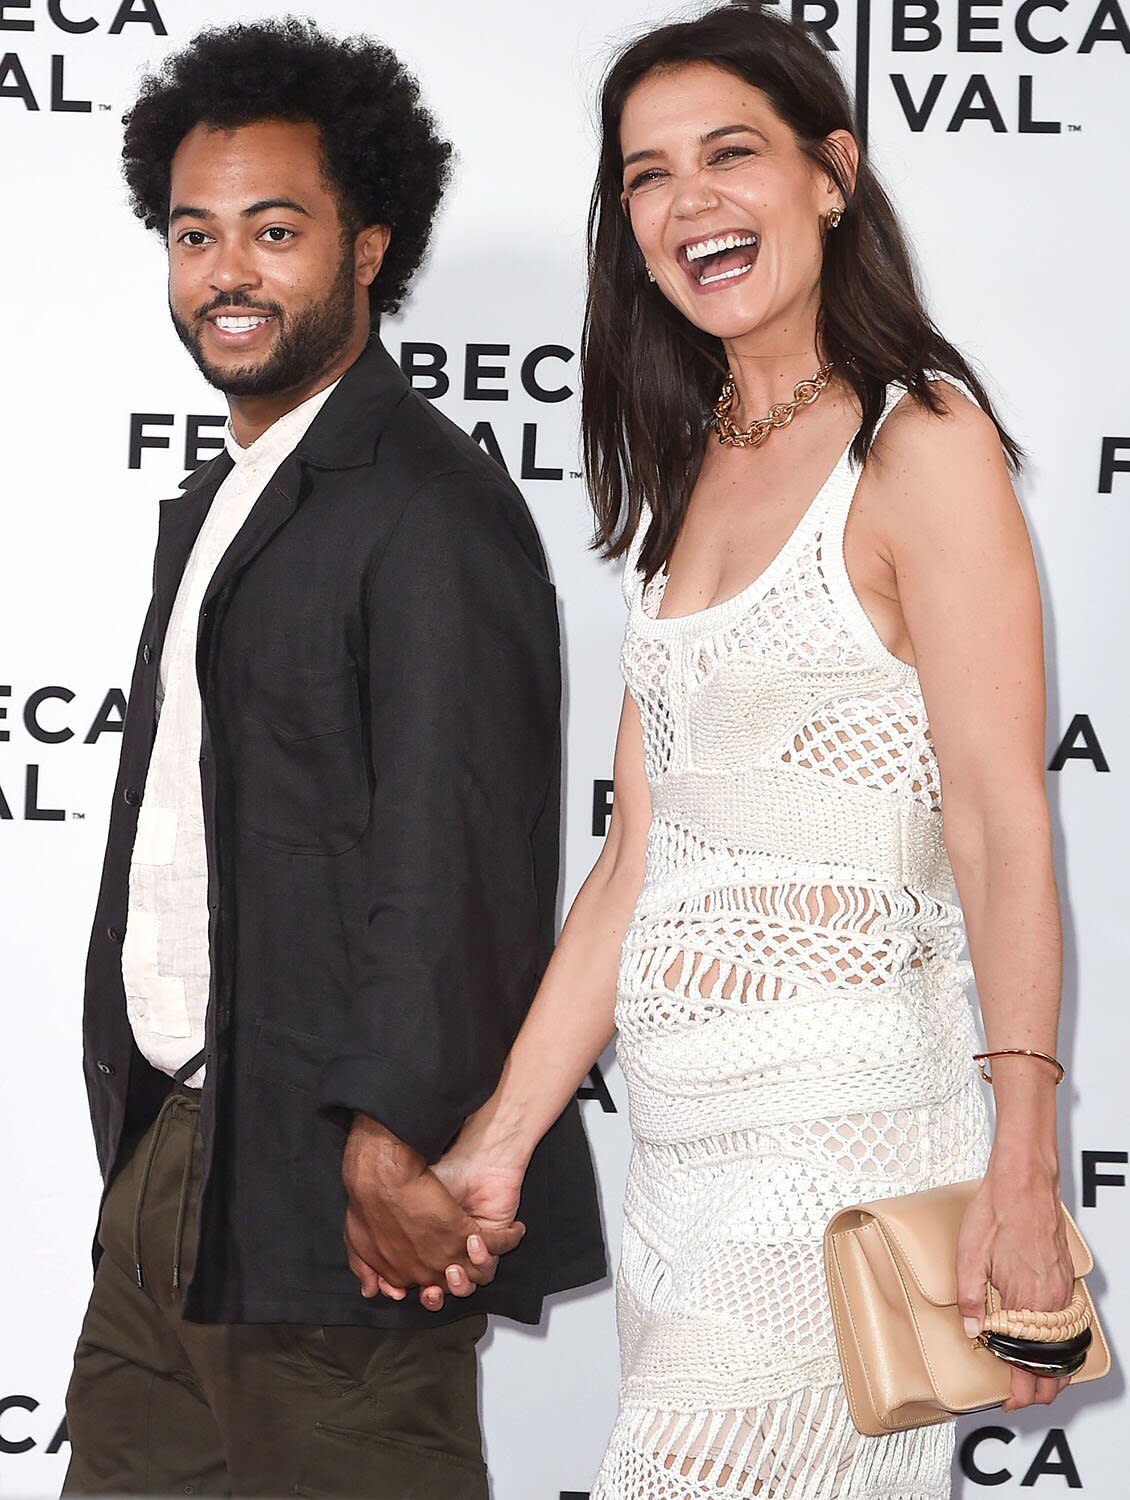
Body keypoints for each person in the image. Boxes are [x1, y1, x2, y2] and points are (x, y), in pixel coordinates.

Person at [402, 6, 1075, 1496]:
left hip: (840, 1150)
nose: (687, 200)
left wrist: (1022, 1159)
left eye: (728, 155)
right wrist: (504, 1139)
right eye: (646, 176)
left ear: (830, 174)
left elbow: (996, 821)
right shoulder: (683, 459)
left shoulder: (919, 441)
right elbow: (642, 856)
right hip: (683, 1166)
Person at [65, 18, 604, 1498]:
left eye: (274, 229)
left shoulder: (423, 501)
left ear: (368, 247)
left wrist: (389, 1136)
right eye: (195, 233)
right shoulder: (224, 496)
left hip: (336, 1182)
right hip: (176, 1154)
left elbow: (459, 852)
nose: (227, 272)